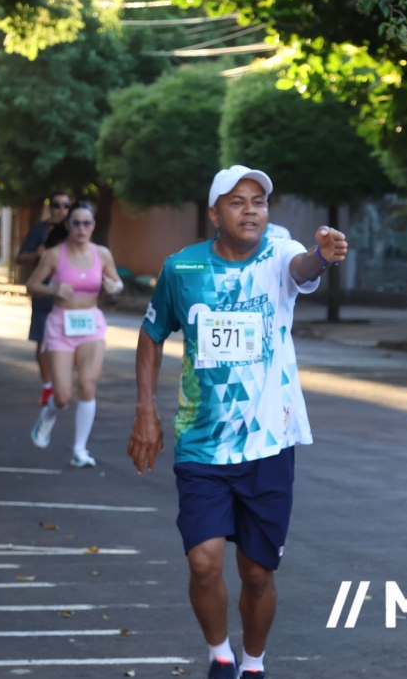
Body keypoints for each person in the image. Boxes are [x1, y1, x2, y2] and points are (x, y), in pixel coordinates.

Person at [127, 166, 347, 679]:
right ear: (213, 213)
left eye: (259, 201)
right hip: (202, 441)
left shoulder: (279, 253)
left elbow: (303, 267)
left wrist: (321, 254)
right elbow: (152, 333)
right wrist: (145, 410)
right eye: (237, 201)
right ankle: (220, 655)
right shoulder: (183, 268)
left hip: (268, 443)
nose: (251, 210)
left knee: (256, 572)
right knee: (203, 563)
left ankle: (253, 663)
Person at [26, 201, 123, 468]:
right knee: (63, 396)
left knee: (88, 385)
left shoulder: (102, 254)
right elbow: (31, 285)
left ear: (93, 226)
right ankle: (48, 417)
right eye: (76, 223)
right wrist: (53, 290)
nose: (81, 228)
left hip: (91, 324)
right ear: (68, 226)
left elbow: (116, 282)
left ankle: (80, 449)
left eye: (86, 223)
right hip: (61, 326)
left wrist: (113, 286)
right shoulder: (54, 255)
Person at [16, 192, 71, 404]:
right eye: (57, 205)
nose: (62, 210)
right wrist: (37, 254)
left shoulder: (75, 230)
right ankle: (48, 386)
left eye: (66, 206)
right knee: (43, 341)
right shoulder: (39, 230)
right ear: (50, 207)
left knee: (71, 341)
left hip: (70, 295)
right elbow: (20, 257)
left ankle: (62, 382)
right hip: (44, 292)